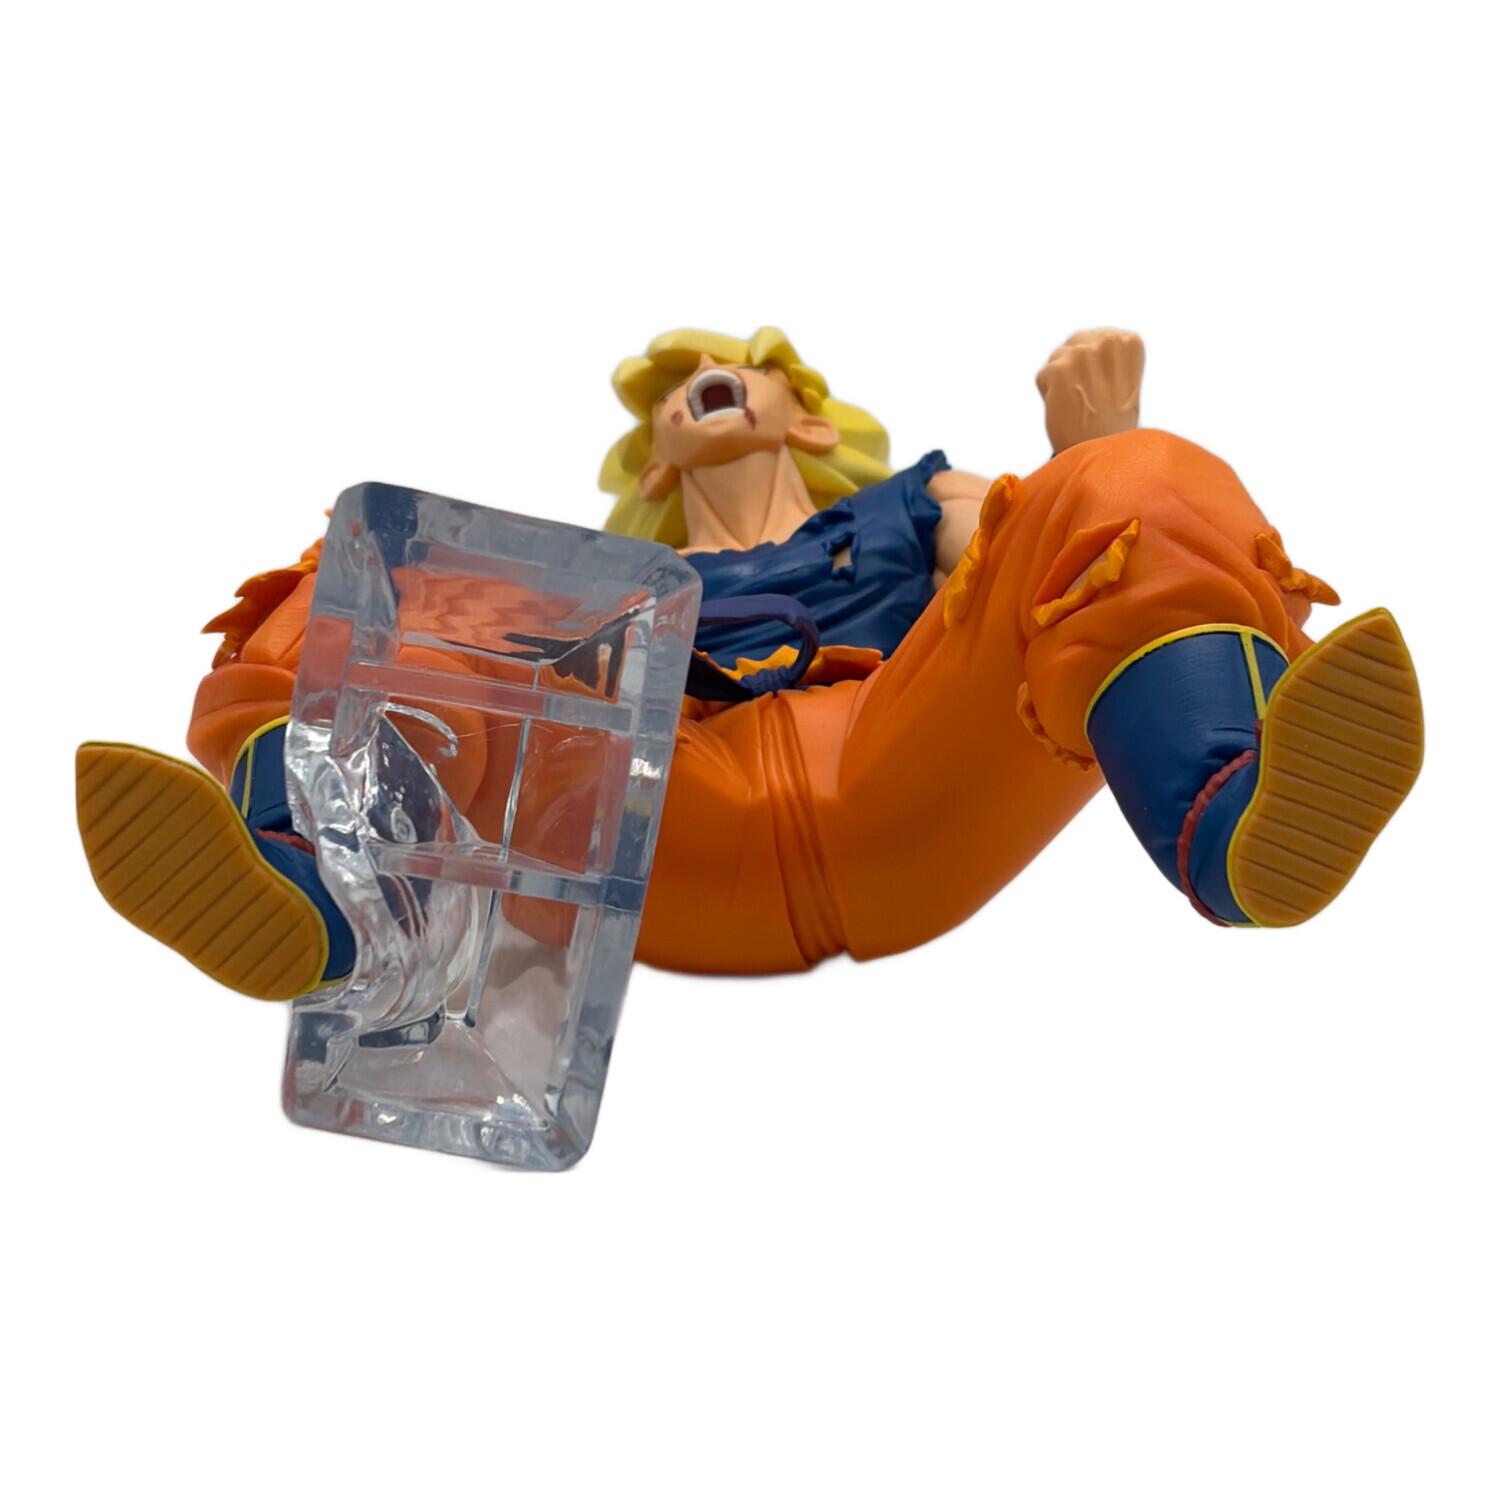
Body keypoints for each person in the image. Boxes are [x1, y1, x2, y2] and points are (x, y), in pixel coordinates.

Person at [77, 327, 1422, 991]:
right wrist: (441, 620)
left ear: (803, 415)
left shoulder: (913, 503)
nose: (701, 376)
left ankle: (1230, 817)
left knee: (1132, 475)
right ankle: (315, 892)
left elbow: (1038, 557)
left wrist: (1088, 451)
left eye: (736, 364)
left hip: (903, 766)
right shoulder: (603, 586)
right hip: (663, 812)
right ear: (659, 457)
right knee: (357, 572)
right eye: (676, 385)